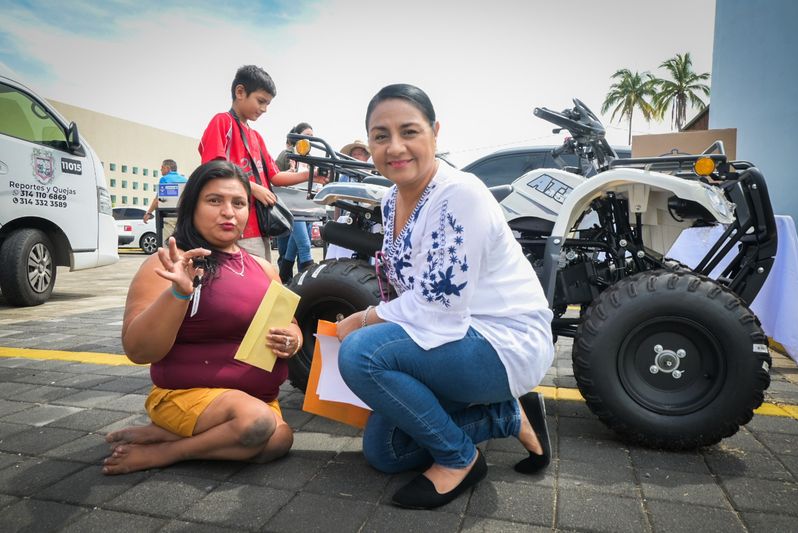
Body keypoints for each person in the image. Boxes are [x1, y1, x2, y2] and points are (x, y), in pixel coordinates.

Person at [336, 84, 555, 509]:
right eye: (381, 136)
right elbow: (414, 292)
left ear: (435, 133)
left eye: (409, 131)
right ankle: (507, 415)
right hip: (454, 336)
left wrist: (362, 318)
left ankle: (460, 460)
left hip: (503, 342)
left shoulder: (460, 194)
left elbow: (437, 303)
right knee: (386, 452)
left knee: (361, 354)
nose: (395, 147)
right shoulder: (390, 200)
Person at [102, 160, 301, 475]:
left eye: (238, 203)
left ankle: (165, 437)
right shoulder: (169, 262)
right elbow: (139, 350)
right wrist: (178, 294)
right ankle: (169, 452)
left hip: (254, 399)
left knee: (280, 439)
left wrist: (293, 338)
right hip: (185, 395)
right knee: (257, 424)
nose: (228, 212)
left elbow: (289, 321)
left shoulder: (263, 268)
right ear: (192, 206)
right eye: (214, 201)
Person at [198, 65, 325, 261]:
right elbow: (213, 169)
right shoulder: (222, 122)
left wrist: (309, 175)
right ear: (240, 92)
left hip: (259, 224)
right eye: (261, 101)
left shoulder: (256, 136)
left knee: (263, 278)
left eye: (268, 104)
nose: (264, 109)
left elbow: (275, 176)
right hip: (234, 224)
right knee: (248, 281)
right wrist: (252, 188)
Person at [275, 122, 316, 282]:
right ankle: (305, 284)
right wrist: (289, 173)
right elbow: (274, 177)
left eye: (312, 136)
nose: (310, 139)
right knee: (297, 248)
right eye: (307, 135)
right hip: (288, 210)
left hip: (308, 209)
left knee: (294, 250)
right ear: (297, 136)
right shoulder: (286, 155)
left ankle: (291, 283)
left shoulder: (311, 158)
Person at [143, 159, 187, 224]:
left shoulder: (164, 179)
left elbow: (159, 200)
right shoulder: (185, 180)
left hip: (168, 215)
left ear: (167, 168)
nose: (161, 170)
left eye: (162, 167)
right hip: (183, 216)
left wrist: (149, 213)